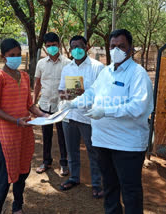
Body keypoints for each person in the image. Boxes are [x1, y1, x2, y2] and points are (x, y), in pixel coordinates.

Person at [59, 29, 153, 213]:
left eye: (121, 46)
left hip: (127, 146)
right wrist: (72, 104)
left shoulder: (138, 74)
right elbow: (92, 93)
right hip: (103, 142)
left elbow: (138, 108)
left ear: (131, 48)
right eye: (113, 46)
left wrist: (105, 111)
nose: (116, 50)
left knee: (130, 191)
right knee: (109, 188)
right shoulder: (106, 72)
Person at [0, 38, 47, 214]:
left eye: (18, 54)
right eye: (11, 55)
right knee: (4, 178)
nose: (16, 58)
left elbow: (29, 104)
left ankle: (17, 207)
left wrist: (43, 115)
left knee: (23, 172)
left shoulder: (24, 76)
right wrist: (15, 121)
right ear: (3, 57)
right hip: (7, 136)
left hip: (25, 133)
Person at [58, 35, 105, 199]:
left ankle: (97, 184)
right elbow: (61, 91)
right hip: (70, 116)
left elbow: (102, 93)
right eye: (73, 47)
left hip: (89, 118)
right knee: (72, 150)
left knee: (94, 152)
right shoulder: (67, 68)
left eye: (80, 46)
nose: (76, 50)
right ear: (70, 49)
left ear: (87, 47)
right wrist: (71, 94)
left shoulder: (98, 67)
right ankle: (74, 177)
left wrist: (85, 95)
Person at [33, 32, 71, 175]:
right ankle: (46, 162)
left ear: (59, 45)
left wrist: (69, 103)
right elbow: (37, 84)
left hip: (61, 107)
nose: (51, 48)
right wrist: (33, 102)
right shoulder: (41, 63)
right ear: (45, 47)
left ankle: (64, 163)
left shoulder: (68, 63)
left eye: (54, 45)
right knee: (46, 135)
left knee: (62, 136)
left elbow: (72, 87)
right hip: (44, 105)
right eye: (48, 46)